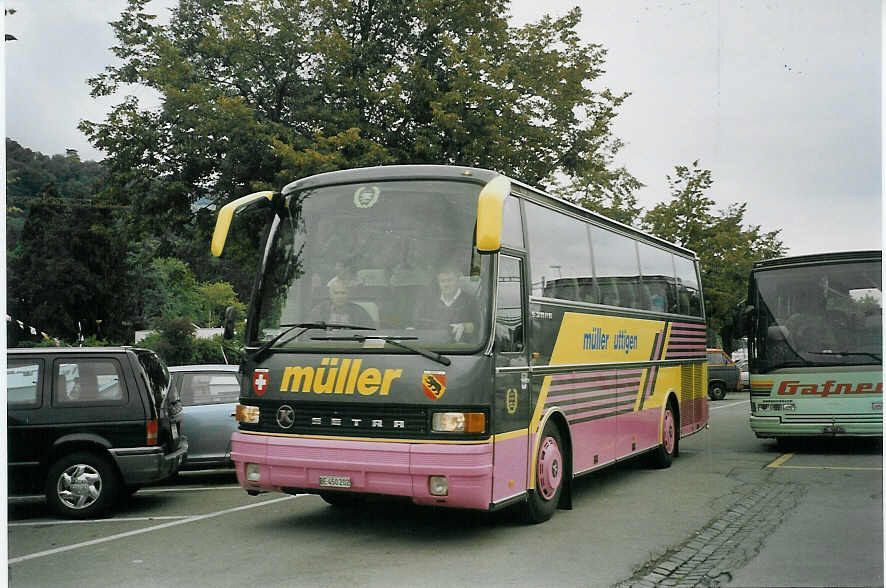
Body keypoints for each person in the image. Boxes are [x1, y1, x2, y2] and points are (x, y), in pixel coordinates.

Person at [426, 266, 479, 342]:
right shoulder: (430, 302)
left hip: (462, 349)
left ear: (457, 280)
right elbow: (422, 323)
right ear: (438, 283)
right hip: (432, 346)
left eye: (449, 280)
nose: (446, 284)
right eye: (442, 281)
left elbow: (480, 327)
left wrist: (464, 327)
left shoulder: (470, 301)